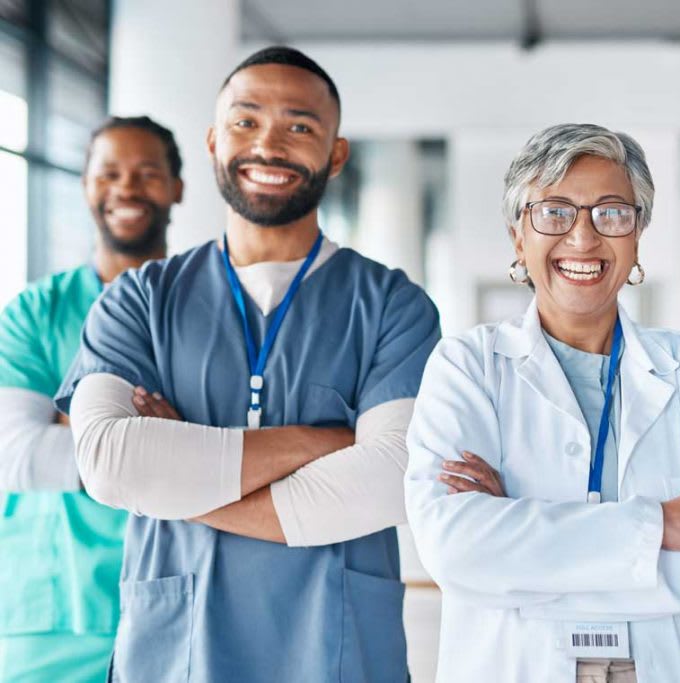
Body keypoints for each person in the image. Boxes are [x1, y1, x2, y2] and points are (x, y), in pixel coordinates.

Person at [55, 46, 440, 683]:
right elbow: (108, 462)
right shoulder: (139, 300)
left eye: (300, 126)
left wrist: (175, 481)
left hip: (338, 651)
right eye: (245, 121)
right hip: (174, 653)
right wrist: (325, 444)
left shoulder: (393, 305)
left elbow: (393, 476)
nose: (269, 144)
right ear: (212, 141)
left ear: (336, 154)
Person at [405, 123, 680, 683]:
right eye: (554, 212)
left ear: (637, 233)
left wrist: (520, 550)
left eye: (611, 213)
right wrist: (668, 524)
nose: (583, 237)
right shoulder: (467, 367)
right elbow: (456, 551)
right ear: (517, 235)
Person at [0, 116, 182, 682]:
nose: (126, 188)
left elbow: (240, 444)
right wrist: (167, 439)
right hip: (55, 611)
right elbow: (15, 454)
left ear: (177, 187)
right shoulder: (37, 312)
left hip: (184, 599)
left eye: (147, 173)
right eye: (108, 173)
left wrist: (76, 425)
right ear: (84, 186)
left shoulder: (213, 307)